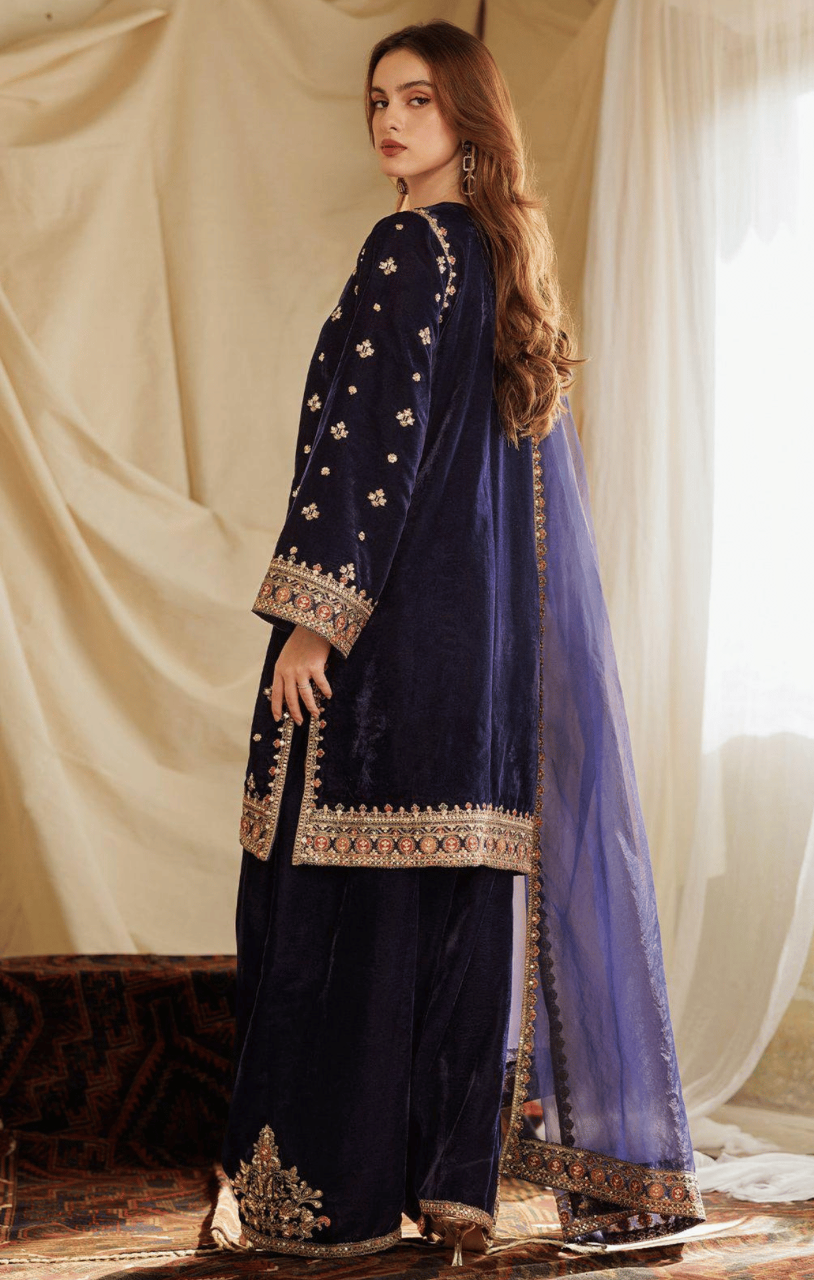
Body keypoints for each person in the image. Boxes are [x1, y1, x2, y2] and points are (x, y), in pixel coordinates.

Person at [219, 19, 705, 1265]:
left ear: (467, 120)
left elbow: (363, 457)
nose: (389, 121)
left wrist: (314, 622)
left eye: (418, 100)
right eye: (377, 99)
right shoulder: (502, 270)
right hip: (483, 670)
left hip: (386, 651)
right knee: (449, 917)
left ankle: (322, 1196)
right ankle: (454, 1187)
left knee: (341, 920)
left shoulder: (405, 249)